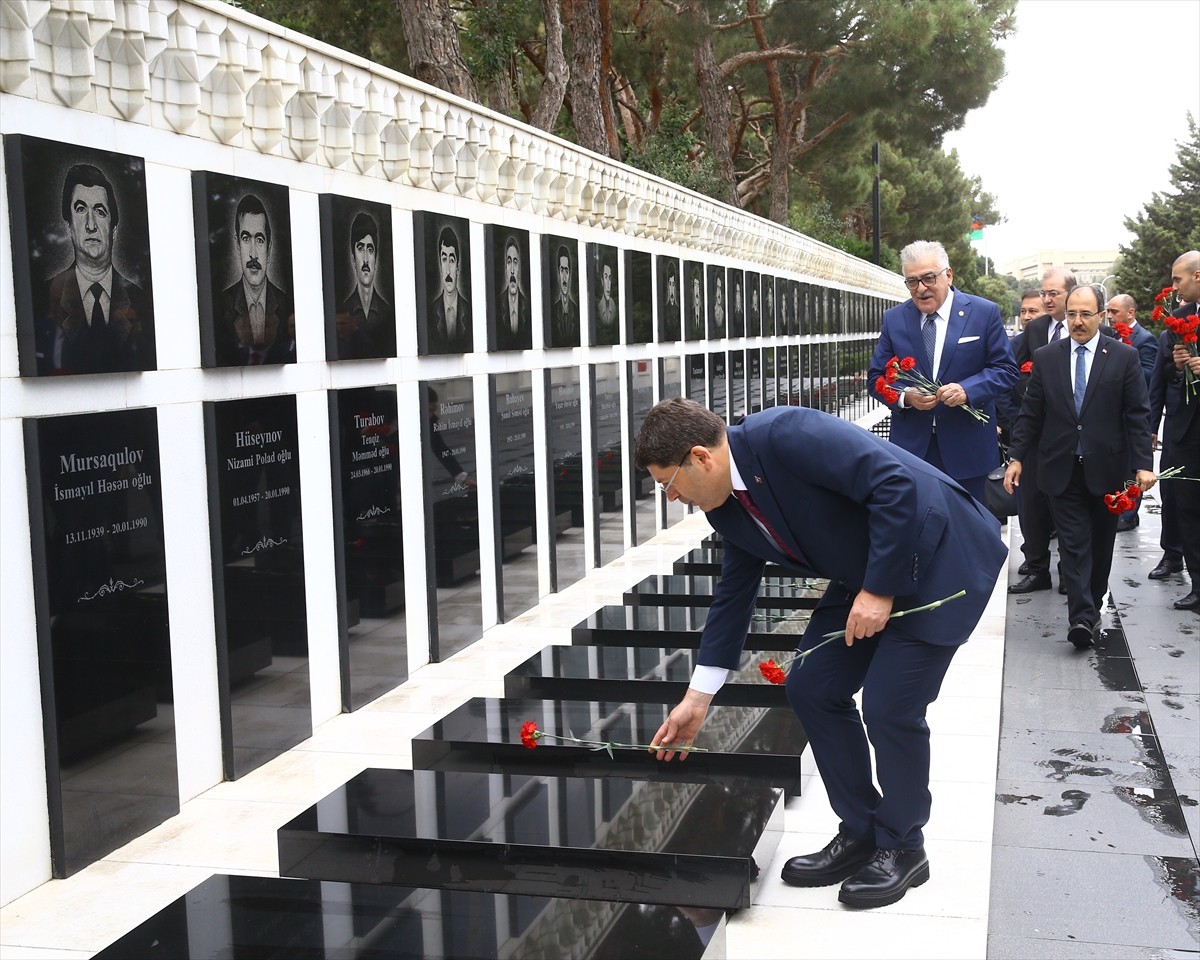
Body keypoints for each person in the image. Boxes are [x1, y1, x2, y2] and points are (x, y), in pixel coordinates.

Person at [635, 397, 1006, 909]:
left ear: (701, 457)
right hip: (865, 569)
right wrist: (698, 699)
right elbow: (733, 597)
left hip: (936, 552)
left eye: (668, 484)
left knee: (889, 706)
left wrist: (879, 590)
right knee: (812, 686)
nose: (672, 497)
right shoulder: (726, 509)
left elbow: (892, 484)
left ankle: (903, 846)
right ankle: (860, 831)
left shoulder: (786, 433)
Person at [1004, 284, 1156, 647]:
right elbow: (1031, 413)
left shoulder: (1123, 357)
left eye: (1085, 314)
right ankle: (1081, 618)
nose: (1077, 321)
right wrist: (1017, 457)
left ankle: (1093, 601)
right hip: (1060, 467)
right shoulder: (1046, 356)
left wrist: (1143, 464)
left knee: (1101, 546)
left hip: (1108, 469)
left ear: (1101, 316)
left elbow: (1137, 414)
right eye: (1071, 314)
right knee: (1074, 544)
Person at [867, 240, 1018, 503]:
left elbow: (1005, 370)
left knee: (968, 530)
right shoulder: (895, 318)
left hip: (967, 447)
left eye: (928, 278)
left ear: (948, 274)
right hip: (913, 448)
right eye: (912, 282)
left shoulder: (983, 313)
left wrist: (967, 391)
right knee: (918, 529)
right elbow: (876, 378)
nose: (921, 289)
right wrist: (907, 397)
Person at [37, 163, 155, 375]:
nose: (91, 224)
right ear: (69, 226)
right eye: (81, 210)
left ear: (114, 228)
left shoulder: (139, 298)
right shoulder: (45, 296)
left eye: (100, 211)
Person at [1008, 268, 1077, 593]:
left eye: (1054, 293)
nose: (1047, 299)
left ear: (1070, 293)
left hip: (1073, 434)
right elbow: (1013, 373)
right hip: (1037, 431)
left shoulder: (1083, 328)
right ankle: (1036, 569)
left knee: (1067, 503)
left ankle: (1069, 572)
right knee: (1032, 503)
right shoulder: (1035, 330)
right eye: (1044, 293)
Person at [1147, 250, 1200, 609]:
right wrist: (1179, 368)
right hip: (1183, 432)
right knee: (1183, 505)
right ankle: (1195, 580)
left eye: (1178, 279)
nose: (1174, 286)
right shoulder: (1176, 320)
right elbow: (1161, 376)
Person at [215, 194, 293, 366]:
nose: (253, 254)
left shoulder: (286, 300)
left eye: (259, 240)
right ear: (237, 245)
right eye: (245, 238)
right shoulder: (222, 302)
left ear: (269, 247)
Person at [1107, 294, 1158, 531]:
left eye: (1114, 312)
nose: (1109, 316)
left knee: (1131, 465)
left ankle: (1128, 514)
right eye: (1108, 311)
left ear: (1131, 313)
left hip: (1132, 413)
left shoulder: (1144, 339)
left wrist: (1125, 362)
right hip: (1111, 414)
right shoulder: (1109, 338)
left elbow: (1150, 375)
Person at [341, 211, 394, 357]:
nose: (365, 260)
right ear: (353, 257)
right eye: (360, 248)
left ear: (375, 257)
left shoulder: (388, 312)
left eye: (370, 250)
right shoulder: (344, 310)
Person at [428, 224, 472, 354]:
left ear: (458, 266)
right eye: (444, 259)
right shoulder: (430, 312)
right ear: (440, 265)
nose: (448, 270)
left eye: (452, 260)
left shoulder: (469, 311)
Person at [495, 235, 531, 351]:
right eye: (509, 262)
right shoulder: (497, 305)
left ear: (519, 268)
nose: (512, 270)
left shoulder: (528, 306)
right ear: (505, 268)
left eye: (515, 262)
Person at [550, 243, 578, 346]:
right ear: (558, 274)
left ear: (570, 274)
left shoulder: (576, 311)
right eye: (562, 270)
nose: (564, 278)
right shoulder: (552, 311)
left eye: (567, 270)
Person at [594, 256, 618, 344]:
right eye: (606, 277)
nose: (608, 283)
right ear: (601, 281)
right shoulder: (598, 307)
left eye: (610, 278)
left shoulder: (614, 306)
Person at [709, 273, 725, 338]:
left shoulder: (723, 310)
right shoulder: (711, 309)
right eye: (717, 288)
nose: (719, 293)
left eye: (720, 288)